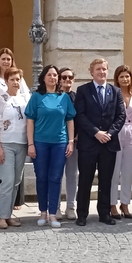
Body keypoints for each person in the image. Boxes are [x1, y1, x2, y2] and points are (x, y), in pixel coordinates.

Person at [74, 58, 125, 227]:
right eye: (98, 69)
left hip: (108, 143)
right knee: (85, 180)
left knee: (106, 180)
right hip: (89, 143)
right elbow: (80, 115)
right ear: (91, 72)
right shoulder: (82, 90)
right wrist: (96, 132)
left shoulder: (115, 91)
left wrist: (109, 134)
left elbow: (121, 116)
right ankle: (82, 214)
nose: (101, 72)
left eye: (104, 69)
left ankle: (104, 213)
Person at [25, 64, 76, 228]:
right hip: (40, 143)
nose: (53, 77)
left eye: (55, 75)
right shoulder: (36, 97)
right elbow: (30, 120)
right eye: (50, 75)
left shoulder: (64, 97)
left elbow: (70, 119)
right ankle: (42, 212)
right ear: (44, 78)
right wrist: (31, 143)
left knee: (55, 178)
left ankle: (53, 213)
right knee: (41, 178)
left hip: (59, 143)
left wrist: (70, 142)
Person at [0, 48, 30, 212]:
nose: (15, 82)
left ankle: (9, 213)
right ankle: (3, 216)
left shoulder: (23, 99)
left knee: (16, 181)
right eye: (12, 79)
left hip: (21, 142)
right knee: (7, 180)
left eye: (17, 79)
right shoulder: (0, 99)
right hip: (5, 143)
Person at [110, 65, 132, 219]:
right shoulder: (113, 94)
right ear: (117, 78)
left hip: (131, 133)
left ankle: (125, 203)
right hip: (116, 132)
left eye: (127, 76)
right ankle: (112, 204)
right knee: (114, 170)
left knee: (128, 171)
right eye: (121, 76)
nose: (125, 79)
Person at [56, 67, 79, 220]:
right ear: (59, 79)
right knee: (56, 175)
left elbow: (81, 118)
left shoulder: (78, 97)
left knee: (72, 175)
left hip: (75, 142)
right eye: (64, 77)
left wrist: (76, 137)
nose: (67, 80)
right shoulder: (54, 97)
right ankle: (55, 207)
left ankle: (71, 206)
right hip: (57, 141)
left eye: (70, 77)